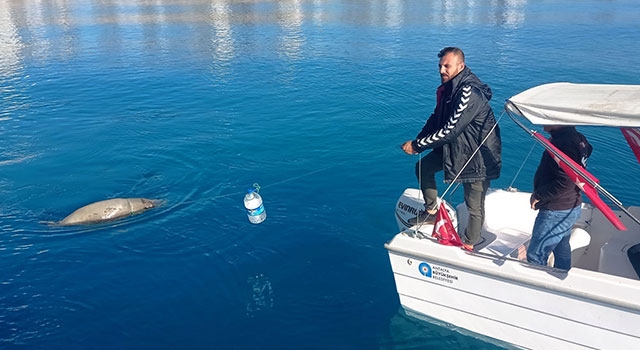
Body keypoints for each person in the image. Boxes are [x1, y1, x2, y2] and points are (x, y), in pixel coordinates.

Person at [401, 47, 502, 250]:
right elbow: (436, 118)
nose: (442, 70)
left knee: (473, 205)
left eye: (447, 66)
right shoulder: (449, 89)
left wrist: (419, 145)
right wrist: (418, 140)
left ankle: (469, 244)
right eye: (440, 66)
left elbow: (450, 130)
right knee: (424, 168)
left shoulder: (468, 92)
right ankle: (431, 211)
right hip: (455, 149)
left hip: (477, 156)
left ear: (461, 66)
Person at [527, 125, 593, 270]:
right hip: (571, 205)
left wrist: (539, 195)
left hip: (556, 209)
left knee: (536, 255)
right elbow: (589, 149)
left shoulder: (563, 144)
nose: (543, 121)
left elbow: (565, 182)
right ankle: (562, 273)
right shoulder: (579, 138)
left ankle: (538, 287)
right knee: (561, 247)